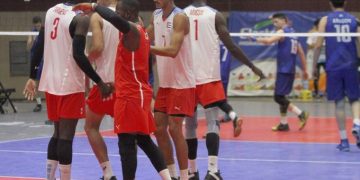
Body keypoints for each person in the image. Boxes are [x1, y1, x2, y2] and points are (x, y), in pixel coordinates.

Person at [73, 1, 172, 179]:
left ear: (126, 14)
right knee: (144, 140)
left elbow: (112, 18)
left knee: (126, 143)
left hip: (129, 95)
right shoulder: (141, 30)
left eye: (119, 12)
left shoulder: (132, 31)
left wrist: (94, 7)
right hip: (137, 91)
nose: (115, 14)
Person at [23, 2, 113, 179]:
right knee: (66, 136)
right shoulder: (80, 19)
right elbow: (78, 55)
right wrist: (99, 82)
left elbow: (38, 46)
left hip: (51, 82)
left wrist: (32, 76)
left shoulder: (50, 11)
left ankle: (50, 177)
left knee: (57, 134)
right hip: (70, 83)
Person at [183, 1, 265, 179]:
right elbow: (232, 47)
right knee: (213, 123)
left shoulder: (180, 14)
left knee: (190, 126)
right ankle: (212, 171)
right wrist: (252, 67)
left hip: (187, 77)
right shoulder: (215, 15)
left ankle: (191, 172)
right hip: (209, 76)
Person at [147, 0, 196, 179]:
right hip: (166, 84)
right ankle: (172, 175)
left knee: (175, 129)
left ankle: (185, 176)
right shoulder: (155, 15)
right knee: (159, 129)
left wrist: (144, 47)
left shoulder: (180, 17)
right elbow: (144, 36)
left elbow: (173, 50)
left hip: (182, 83)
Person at [313, 0, 360, 151]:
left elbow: (319, 44)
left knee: (339, 103)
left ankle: (344, 141)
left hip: (333, 66)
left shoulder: (325, 20)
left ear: (330, 3)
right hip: (351, 64)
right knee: (355, 99)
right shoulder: (354, 20)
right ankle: (357, 123)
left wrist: (314, 65)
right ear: (345, 3)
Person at [255, 13, 309, 132]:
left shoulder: (282, 32)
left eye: (276, 22)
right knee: (282, 96)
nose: (275, 24)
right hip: (290, 69)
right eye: (273, 22)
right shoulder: (294, 34)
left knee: (278, 97)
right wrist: (305, 70)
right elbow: (301, 53)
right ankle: (284, 124)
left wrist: (254, 38)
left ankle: (301, 114)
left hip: (284, 70)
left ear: (284, 21)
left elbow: (269, 41)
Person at [84, 0, 118, 179]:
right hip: (125, 84)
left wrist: (86, 61)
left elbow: (97, 47)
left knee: (90, 127)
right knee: (131, 134)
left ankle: (108, 174)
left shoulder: (98, 16)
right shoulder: (130, 15)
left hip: (105, 84)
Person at [27, 16, 44, 112]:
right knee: (35, 83)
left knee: (47, 83)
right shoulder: (32, 32)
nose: (37, 27)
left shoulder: (44, 31)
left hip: (44, 60)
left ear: (41, 23)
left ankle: (52, 104)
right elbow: (28, 47)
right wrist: (32, 40)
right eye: (36, 26)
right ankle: (39, 104)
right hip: (36, 61)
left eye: (39, 25)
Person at [306, 19, 326, 98]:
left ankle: (327, 92)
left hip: (325, 58)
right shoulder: (312, 34)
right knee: (316, 76)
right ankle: (316, 93)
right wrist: (317, 44)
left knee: (330, 75)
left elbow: (325, 45)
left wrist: (320, 44)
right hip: (316, 58)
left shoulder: (325, 34)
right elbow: (309, 45)